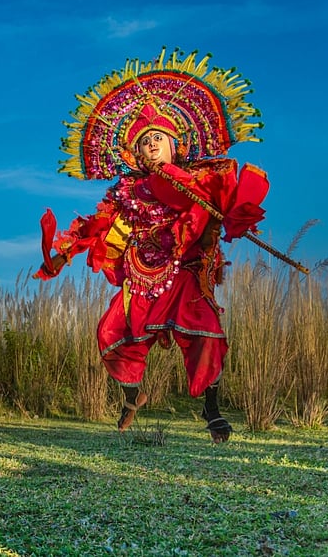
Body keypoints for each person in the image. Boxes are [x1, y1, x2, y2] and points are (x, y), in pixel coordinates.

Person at [35, 49, 271, 443]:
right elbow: (98, 225)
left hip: (183, 273)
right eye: (144, 144)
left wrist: (228, 213)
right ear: (134, 153)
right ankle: (132, 397)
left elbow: (215, 205)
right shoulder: (127, 190)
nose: (151, 148)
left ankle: (211, 408)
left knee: (205, 333)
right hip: (141, 277)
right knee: (110, 332)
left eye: (158, 140)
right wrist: (64, 249)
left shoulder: (196, 178)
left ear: (175, 144)